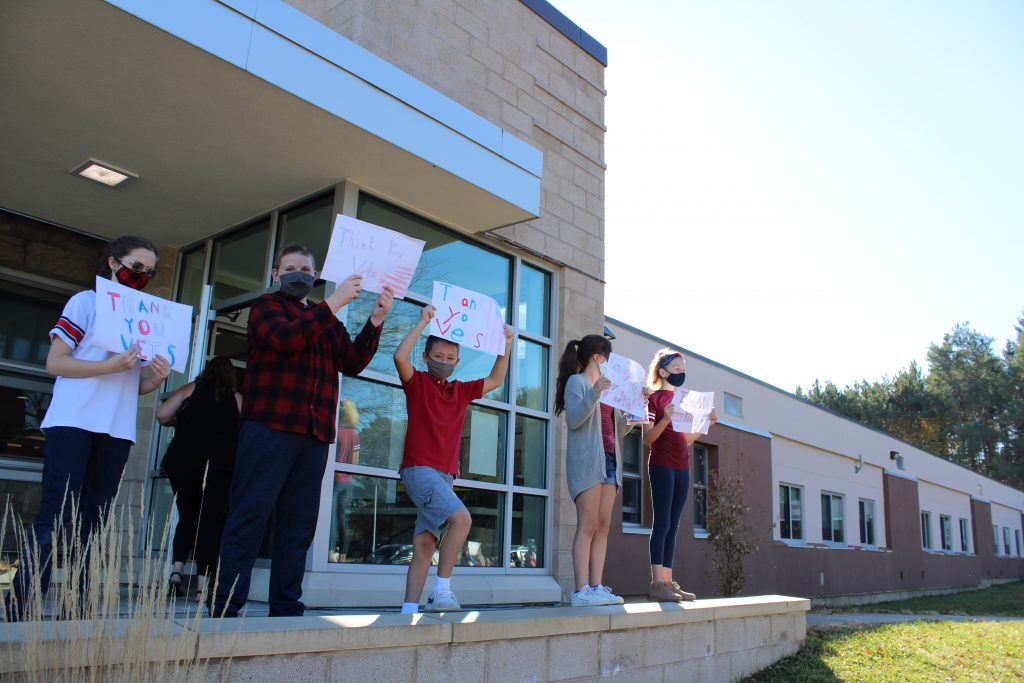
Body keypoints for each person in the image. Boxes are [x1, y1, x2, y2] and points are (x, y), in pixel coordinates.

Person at [210, 243, 393, 618]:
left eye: (307, 270)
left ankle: (286, 603)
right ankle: (227, 603)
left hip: (314, 435)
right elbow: (285, 339)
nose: (300, 274)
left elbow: (352, 361)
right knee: (250, 514)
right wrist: (334, 304)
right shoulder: (266, 307)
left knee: (298, 524)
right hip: (270, 428)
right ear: (276, 274)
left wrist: (374, 321)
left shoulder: (324, 317)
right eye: (291, 268)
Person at [7, 236, 171, 621]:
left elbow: (134, 387)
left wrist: (156, 380)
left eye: (150, 271)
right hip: (73, 420)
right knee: (56, 513)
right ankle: (22, 605)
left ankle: (77, 606)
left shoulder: (143, 318)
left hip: (115, 429)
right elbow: (56, 363)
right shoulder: (86, 302)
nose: (142, 275)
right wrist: (109, 366)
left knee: (94, 522)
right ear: (114, 263)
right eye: (137, 266)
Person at [394, 305, 512, 614]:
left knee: (423, 545)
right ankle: (441, 591)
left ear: (458, 362)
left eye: (450, 358)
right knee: (462, 520)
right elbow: (399, 358)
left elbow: (496, 378)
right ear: (426, 357)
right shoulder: (417, 383)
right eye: (438, 356)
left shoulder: (459, 391)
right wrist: (423, 322)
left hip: (445, 475)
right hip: (419, 470)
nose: (444, 362)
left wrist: (506, 345)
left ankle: (408, 611)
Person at [156, 356, 242, 603]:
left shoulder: (190, 390)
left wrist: (180, 422)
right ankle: (202, 588)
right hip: (218, 465)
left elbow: (162, 414)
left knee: (187, 516)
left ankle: (175, 575)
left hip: (184, 462)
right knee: (210, 521)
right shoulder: (235, 399)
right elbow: (247, 430)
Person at [555, 335, 625, 607]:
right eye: (609, 358)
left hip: (610, 460)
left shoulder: (607, 389)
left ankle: (597, 587)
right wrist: (595, 392)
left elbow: (618, 430)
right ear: (599, 357)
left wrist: (634, 413)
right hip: (587, 462)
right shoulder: (578, 382)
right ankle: (581, 589)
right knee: (587, 524)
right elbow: (573, 419)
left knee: (603, 526)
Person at [643, 348, 717, 602]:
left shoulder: (684, 401)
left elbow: (685, 440)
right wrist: (664, 420)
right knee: (662, 522)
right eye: (677, 369)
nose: (681, 373)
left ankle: (667, 580)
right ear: (663, 372)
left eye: (684, 370)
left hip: (682, 467)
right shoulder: (653, 399)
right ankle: (656, 583)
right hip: (661, 464)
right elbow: (647, 439)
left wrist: (706, 424)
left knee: (674, 526)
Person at [330, 399, 360, 563]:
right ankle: (343, 556)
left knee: (332, 519)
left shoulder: (336, 431)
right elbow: (355, 464)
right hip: (348, 481)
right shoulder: (355, 435)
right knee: (343, 519)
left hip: (334, 479)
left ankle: (329, 553)